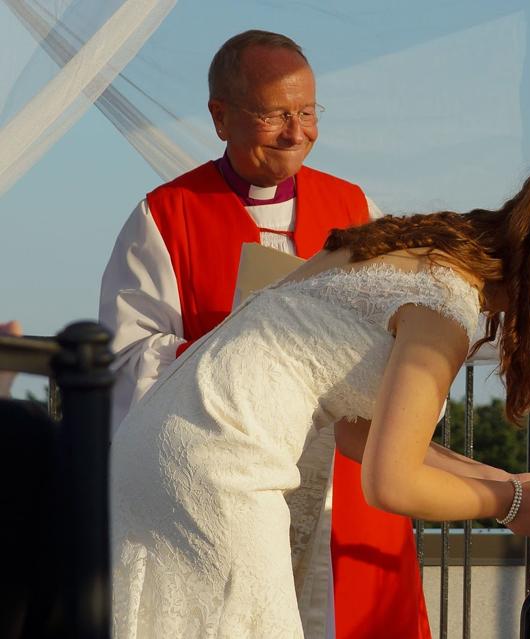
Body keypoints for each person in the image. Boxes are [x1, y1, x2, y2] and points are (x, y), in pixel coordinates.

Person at [109, 153, 530, 638]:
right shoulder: (448, 305)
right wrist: (512, 506)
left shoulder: (425, 250)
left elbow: (360, 432)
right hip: (219, 463)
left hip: (160, 442)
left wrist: (508, 482)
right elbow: (391, 481)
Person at [98, 30, 425, 638]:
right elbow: (126, 358)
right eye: (275, 114)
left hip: (343, 489)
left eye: (307, 112)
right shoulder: (166, 215)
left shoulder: (355, 209)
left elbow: (401, 328)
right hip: (221, 480)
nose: (296, 132)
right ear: (221, 117)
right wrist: (239, 351)